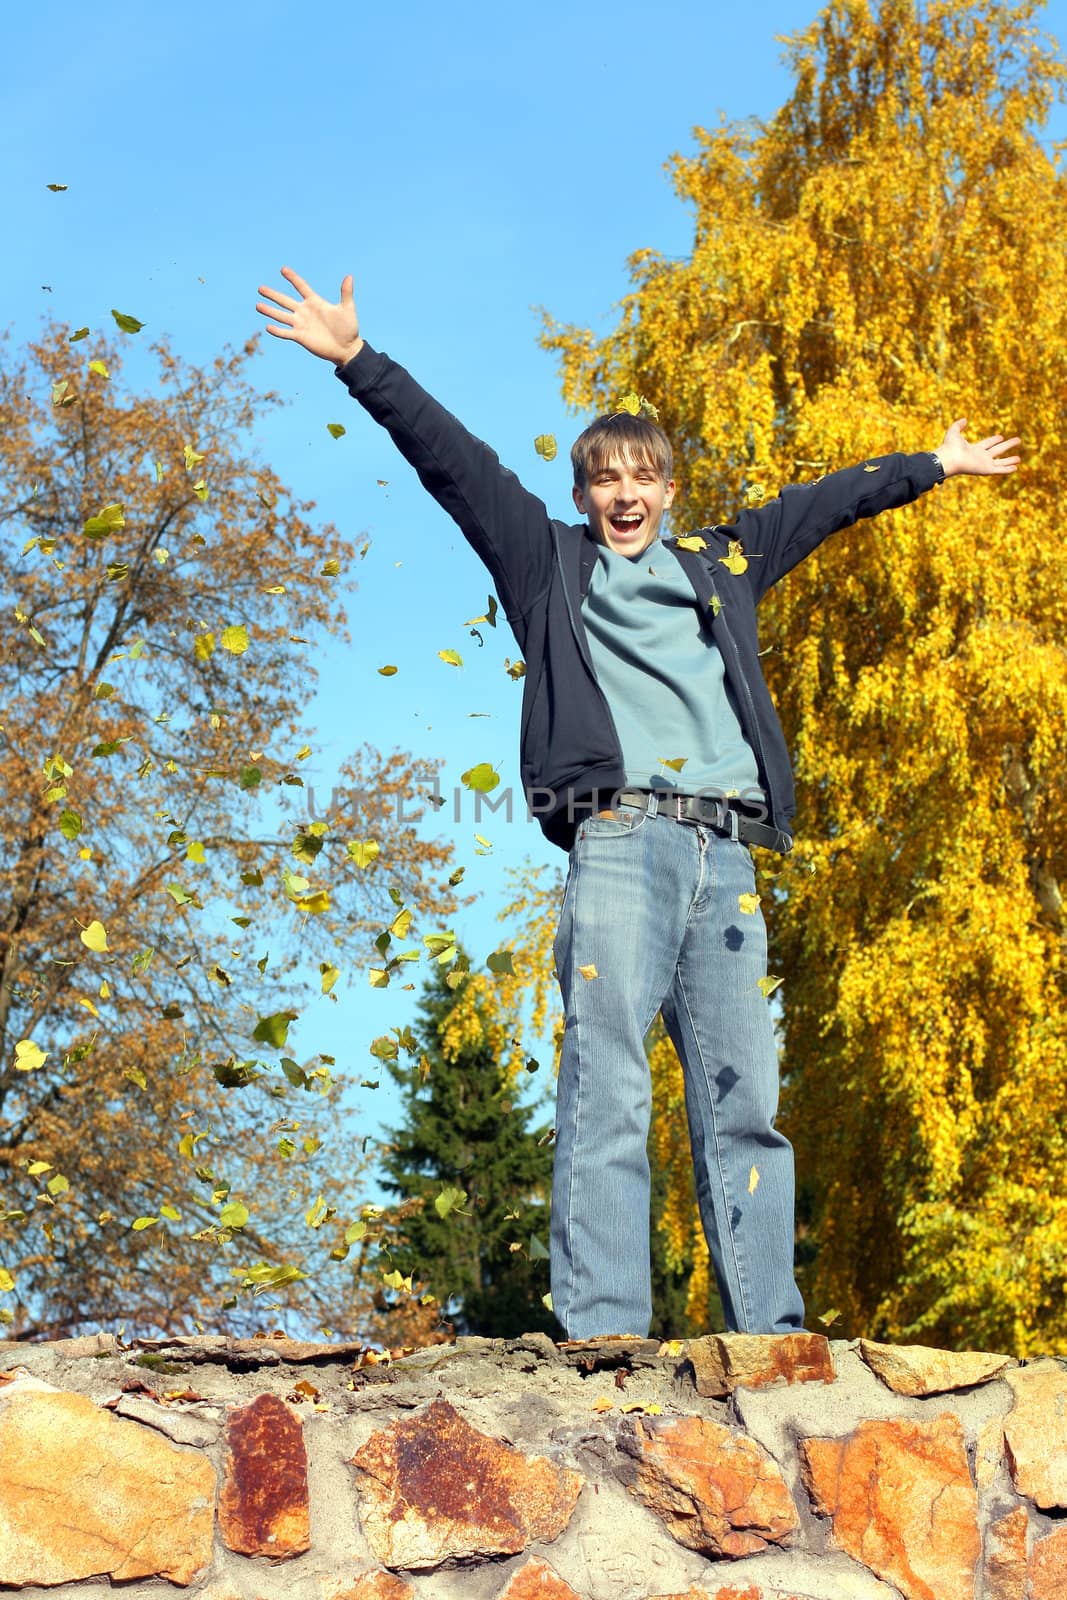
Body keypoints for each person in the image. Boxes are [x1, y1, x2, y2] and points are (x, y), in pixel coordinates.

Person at [255, 267, 1021, 1341]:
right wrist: (356, 362)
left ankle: (769, 1335)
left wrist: (929, 464)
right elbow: (455, 463)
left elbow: (824, 503)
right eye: (605, 477)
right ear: (581, 494)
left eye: (643, 476)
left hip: (725, 858)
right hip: (616, 841)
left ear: (667, 489)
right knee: (606, 1084)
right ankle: (605, 1335)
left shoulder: (724, 562)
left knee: (743, 1101)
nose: (624, 494)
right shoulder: (546, 566)